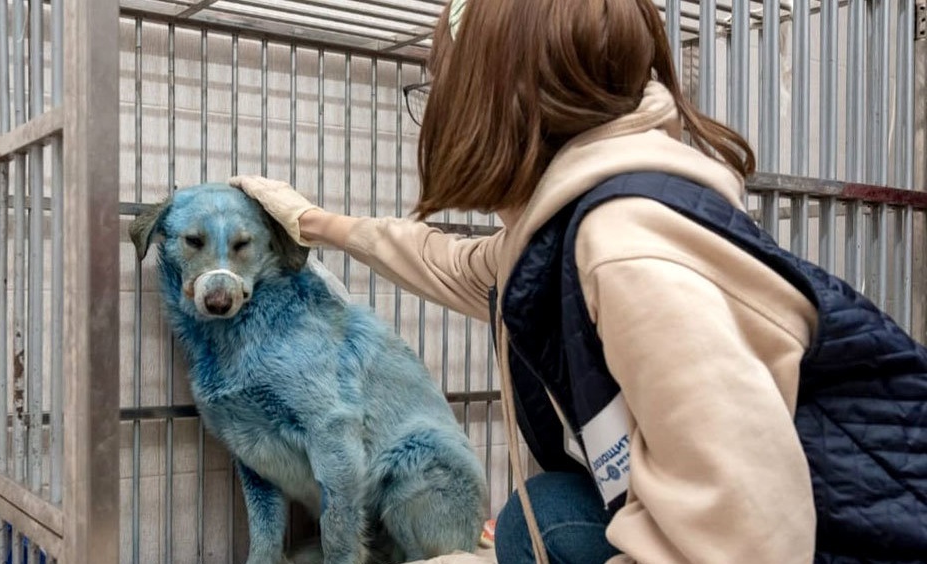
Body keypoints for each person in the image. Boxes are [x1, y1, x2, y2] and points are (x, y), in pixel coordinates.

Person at [229, 0, 820, 562]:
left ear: (500, 95)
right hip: (723, 512)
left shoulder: (622, 246)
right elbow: (457, 264)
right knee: (540, 515)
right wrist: (317, 224)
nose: (437, 109)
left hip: (813, 533)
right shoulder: (571, 226)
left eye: (443, 87)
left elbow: (754, 528)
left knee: (538, 522)